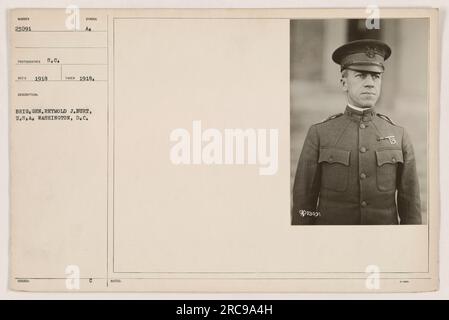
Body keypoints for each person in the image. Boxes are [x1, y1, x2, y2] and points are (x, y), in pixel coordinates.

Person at [291, 39, 421, 225]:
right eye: (361, 76)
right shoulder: (320, 134)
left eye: (376, 76)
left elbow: (411, 210)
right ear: (344, 83)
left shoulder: (399, 135)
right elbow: (304, 206)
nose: (370, 83)